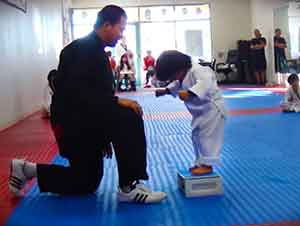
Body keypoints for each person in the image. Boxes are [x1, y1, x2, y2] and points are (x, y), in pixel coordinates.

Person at [9, 5, 166, 203]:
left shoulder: (94, 50)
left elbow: (90, 98)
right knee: (129, 115)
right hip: (71, 126)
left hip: (83, 122)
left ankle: (26, 170)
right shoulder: (83, 49)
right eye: (121, 28)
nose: (121, 35)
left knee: (87, 181)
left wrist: (103, 134)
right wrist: (114, 107)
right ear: (107, 25)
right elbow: (78, 94)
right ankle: (129, 186)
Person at [155, 50, 226, 175]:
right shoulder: (182, 75)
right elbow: (177, 85)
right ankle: (200, 162)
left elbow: (206, 83)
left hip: (213, 110)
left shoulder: (199, 70)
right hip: (200, 112)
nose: (173, 79)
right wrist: (166, 91)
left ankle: (208, 164)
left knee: (207, 137)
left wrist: (190, 93)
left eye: (172, 76)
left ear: (179, 68)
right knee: (196, 136)